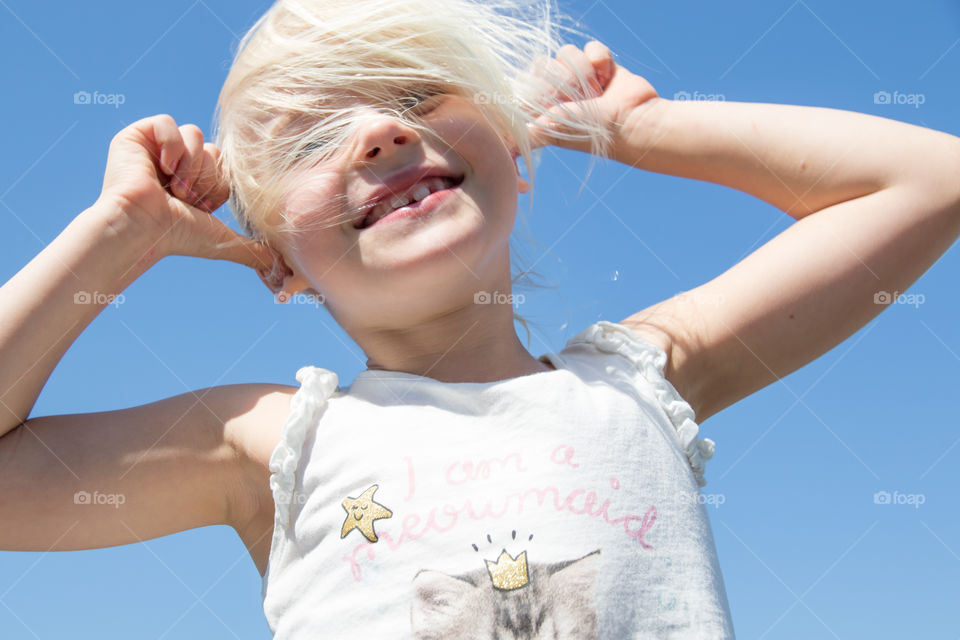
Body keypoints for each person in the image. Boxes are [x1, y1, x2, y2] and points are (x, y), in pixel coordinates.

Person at [1, 0, 958, 637]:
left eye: (418, 94)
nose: (380, 131)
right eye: (313, 138)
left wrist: (641, 130)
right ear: (278, 264)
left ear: (514, 148)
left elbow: (931, 180)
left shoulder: (641, 378)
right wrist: (117, 234)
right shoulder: (264, 444)